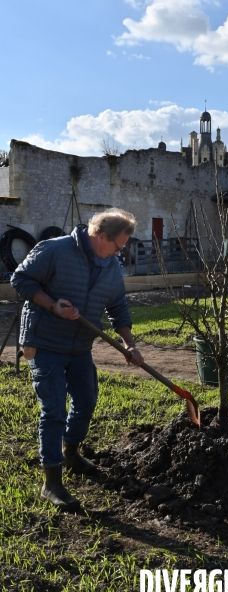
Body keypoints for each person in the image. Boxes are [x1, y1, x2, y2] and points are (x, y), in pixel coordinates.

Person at [10, 209, 144, 512]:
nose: (120, 253)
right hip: (44, 343)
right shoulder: (55, 249)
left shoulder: (110, 266)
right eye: (118, 246)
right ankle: (52, 483)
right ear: (101, 237)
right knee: (54, 409)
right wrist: (53, 305)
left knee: (86, 400)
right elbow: (21, 280)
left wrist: (129, 345)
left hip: (80, 347)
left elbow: (119, 307)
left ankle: (70, 452)